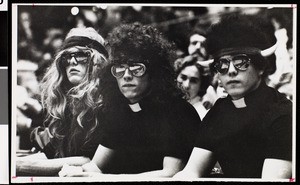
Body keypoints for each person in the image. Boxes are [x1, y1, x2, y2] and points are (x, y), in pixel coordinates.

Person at [59, 22, 200, 178]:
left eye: (136, 68)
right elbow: (96, 166)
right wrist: (76, 172)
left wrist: (104, 178)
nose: (126, 75)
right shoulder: (120, 112)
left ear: (153, 73)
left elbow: (170, 174)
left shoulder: (179, 112)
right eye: (120, 68)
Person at [174, 14, 292, 179]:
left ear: (260, 68)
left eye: (241, 62)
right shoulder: (219, 111)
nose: (230, 70)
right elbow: (191, 171)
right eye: (222, 64)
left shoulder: (283, 114)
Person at [16, 27, 109, 176]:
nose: (72, 61)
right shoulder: (66, 103)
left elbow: (90, 161)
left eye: (81, 55)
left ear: (97, 61)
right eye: (67, 56)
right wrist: (14, 162)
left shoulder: (106, 103)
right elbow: (53, 152)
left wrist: (19, 166)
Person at [174, 55, 212, 120]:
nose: (186, 85)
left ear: (201, 86)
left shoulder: (201, 114)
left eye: (193, 81)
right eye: (183, 77)